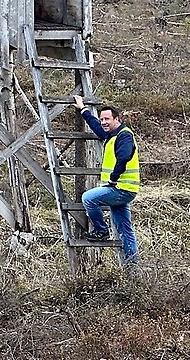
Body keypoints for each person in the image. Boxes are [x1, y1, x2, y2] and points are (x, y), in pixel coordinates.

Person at [73, 95, 140, 268]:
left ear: (117, 119)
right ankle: (132, 268)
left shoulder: (124, 136)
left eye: (107, 119)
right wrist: (83, 108)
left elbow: (124, 157)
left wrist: (113, 179)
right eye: (102, 119)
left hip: (121, 188)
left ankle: (101, 231)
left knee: (88, 198)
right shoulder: (111, 135)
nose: (103, 122)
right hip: (124, 189)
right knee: (125, 229)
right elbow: (95, 125)